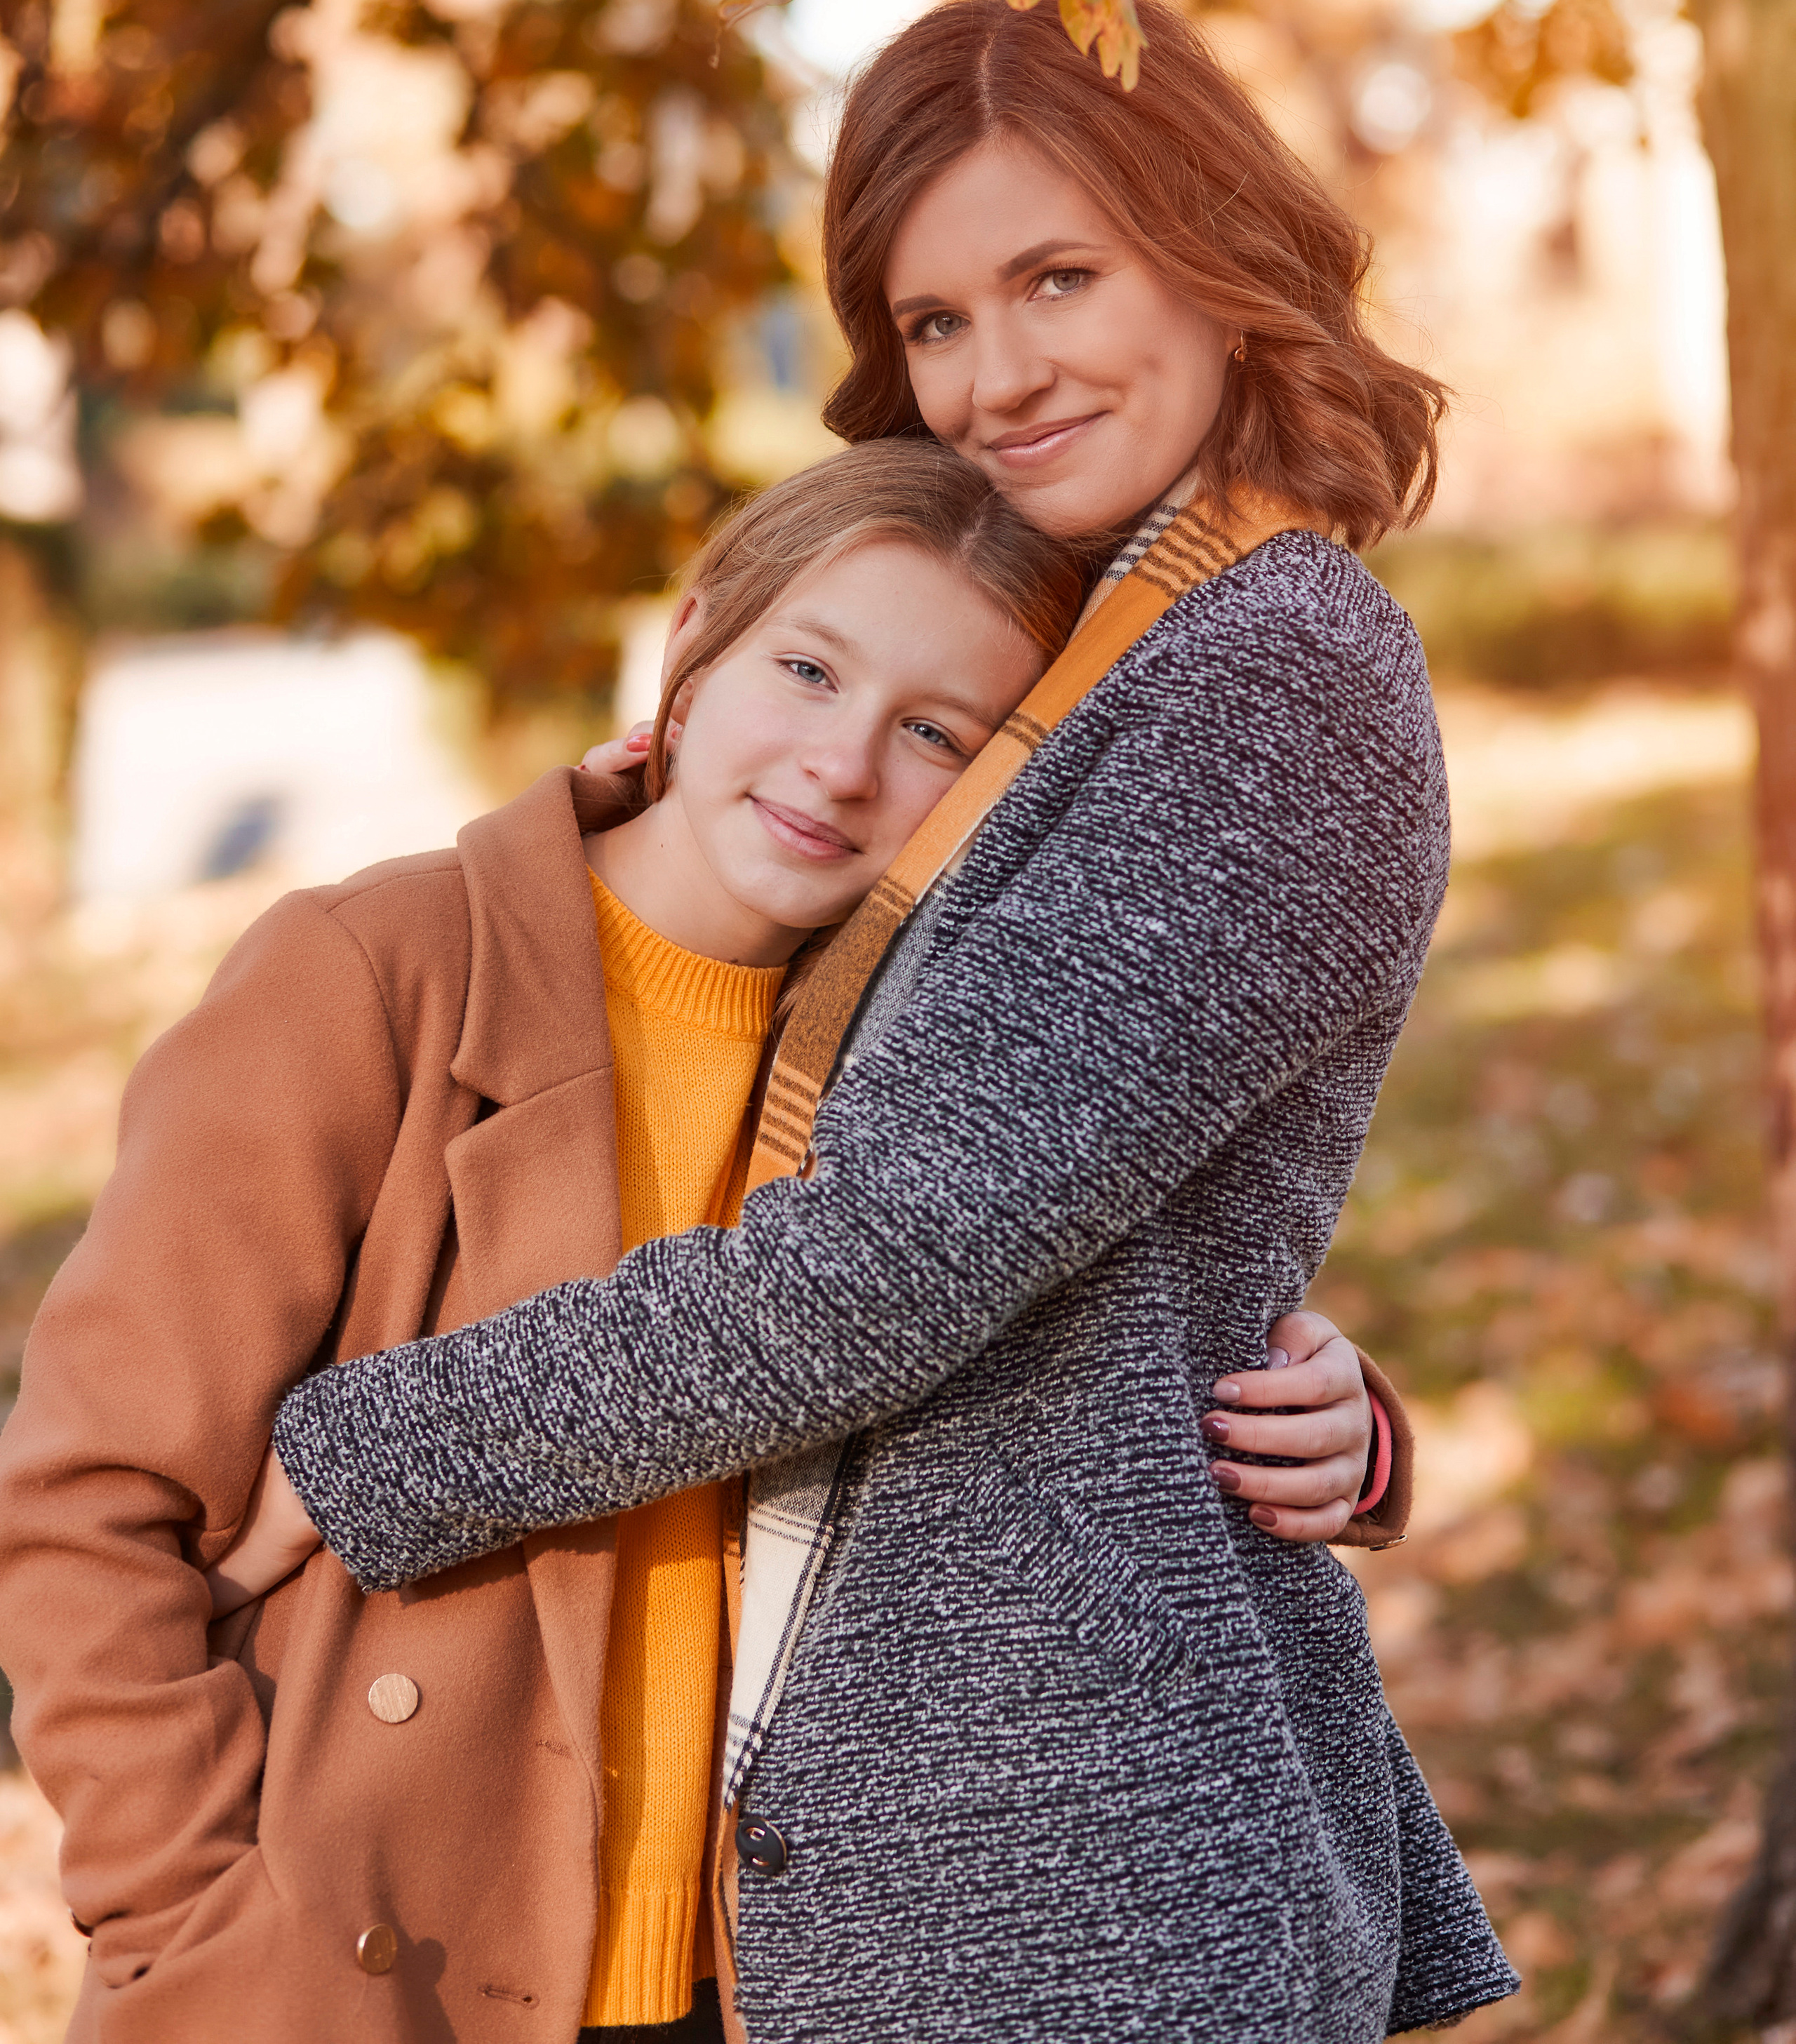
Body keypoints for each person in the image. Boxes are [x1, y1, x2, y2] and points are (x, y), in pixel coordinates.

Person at [250, 0, 1522, 2043]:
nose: (997, 375)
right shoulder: (1076, 651)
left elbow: (896, 1261)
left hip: (1070, 1870)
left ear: (1212, 249)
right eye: (933, 322)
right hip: (895, 1824)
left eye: (1056, 278)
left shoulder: (1277, 671)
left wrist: (357, 1450)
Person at [0, 436, 1385, 2044]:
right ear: (694, 642)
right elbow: (89, 1511)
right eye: (805, 669)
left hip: (769, 1981)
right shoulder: (374, 971)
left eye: (935, 733)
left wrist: (1342, 1422)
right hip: (371, 1967)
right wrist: (198, 1940)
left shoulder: (931, 1064)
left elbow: (1068, 1368)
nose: (839, 763)